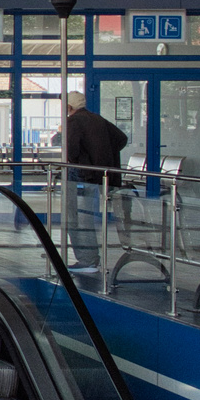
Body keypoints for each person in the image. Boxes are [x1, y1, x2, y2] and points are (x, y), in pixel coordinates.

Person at [63, 91, 127, 272]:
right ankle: (90, 259)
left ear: (69, 107)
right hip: (97, 175)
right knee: (87, 216)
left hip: (81, 175)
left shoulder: (74, 121)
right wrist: (104, 156)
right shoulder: (97, 118)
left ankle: (88, 260)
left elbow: (72, 150)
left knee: (76, 217)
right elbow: (121, 138)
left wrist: (83, 159)